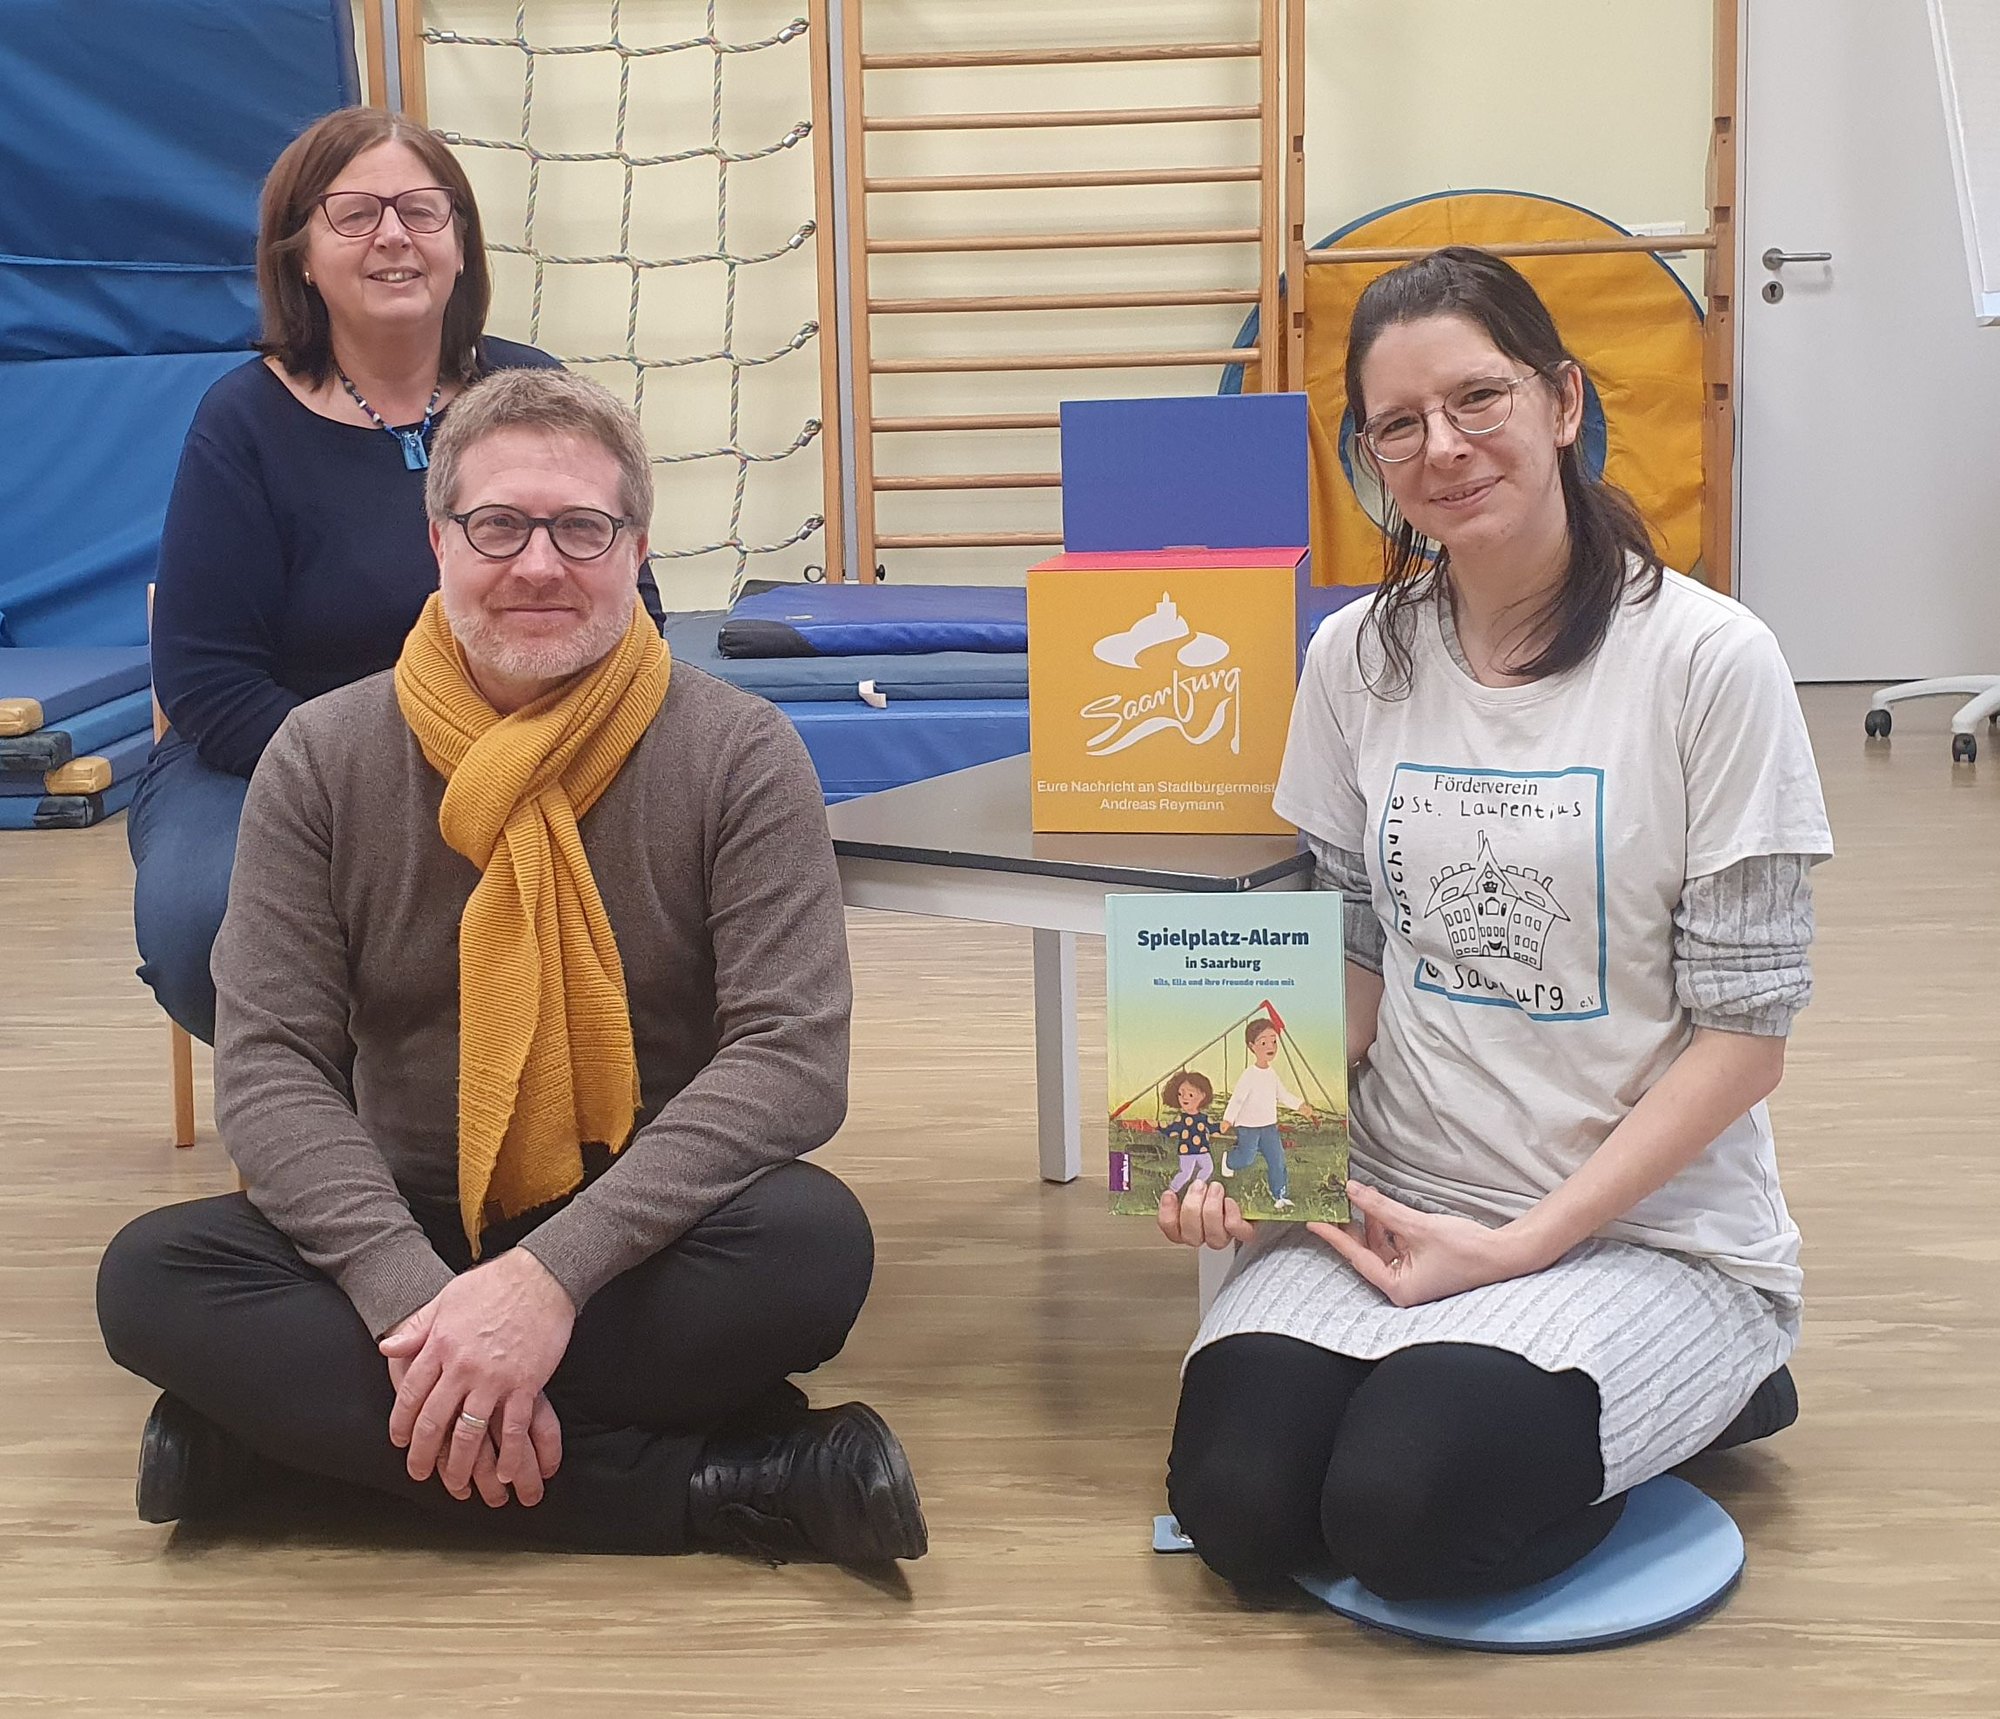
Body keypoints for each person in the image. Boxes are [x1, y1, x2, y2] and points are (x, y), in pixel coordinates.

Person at [96, 367, 925, 1566]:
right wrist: (409, 1294)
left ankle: (281, 1453)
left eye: (582, 528)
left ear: (637, 548)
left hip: (636, 1234)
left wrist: (547, 1280)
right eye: (497, 526)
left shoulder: (739, 752)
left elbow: (790, 1061)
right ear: (437, 539)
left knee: (810, 1247)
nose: (539, 564)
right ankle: (724, 1484)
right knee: (151, 1278)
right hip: (397, 1213)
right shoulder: (321, 756)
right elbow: (271, 1067)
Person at [1160, 247, 1831, 1601]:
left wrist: (1525, 1246)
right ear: (1368, 455)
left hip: (1635, 1225)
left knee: (1402, 1516)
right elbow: (1352, 951)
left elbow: (1745, 1037)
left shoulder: (1709, 659)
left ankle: (1729, 1376)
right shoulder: (1355, 654)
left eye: (1478, 399)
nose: (1443, 448)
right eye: (1398, 424)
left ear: (1562, 400)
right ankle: (1477, 1403)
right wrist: (1227, 1139)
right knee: (1235, 1506)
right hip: (1396, 1194)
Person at [132, 105, 660, 1043]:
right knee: (201, 925)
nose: (394, 236)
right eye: (356, 214)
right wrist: (385, 780)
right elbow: (208, 682)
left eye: (422, 210)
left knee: (665, 889)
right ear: (300, 253)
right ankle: (323, 1103)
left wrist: (513, 759)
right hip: (273, 757)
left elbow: (628, 605)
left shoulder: (536, 393)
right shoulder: (241, 424)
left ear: (459, 244)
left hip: (531, 740)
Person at [1217, 1017, 1314, 1208]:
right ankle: (1229, 1161)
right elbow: (1237, 1099)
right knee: (1247, 1159)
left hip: (1269, 1126)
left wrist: (1300, 1106)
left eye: (1274, 1041)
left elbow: (1283, 1094)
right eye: (1263, 1042)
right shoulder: (1249, 1075)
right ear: (1251, 1046)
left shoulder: (1271, 1074)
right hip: (1248, 1127)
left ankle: (1280, 1196)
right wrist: (1228, 1119)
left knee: (1277, 1160)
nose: (1270, 1046)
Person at [1161, 1071, 1220, 1196]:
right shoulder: (1181, 1118)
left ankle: (1196, 1187)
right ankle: (1172, 1190)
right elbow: (1171, 1130)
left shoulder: (1204, 1118)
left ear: (1203, 1096)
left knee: (1208, 1168)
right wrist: (1158, 1126)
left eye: (1190, 1094)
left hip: (1203, 1150)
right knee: (1186, 1173)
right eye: (1180, 1094)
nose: (1184, 1098)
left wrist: (1223, 1127)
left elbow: (1213, 1128)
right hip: (1186, 1151)